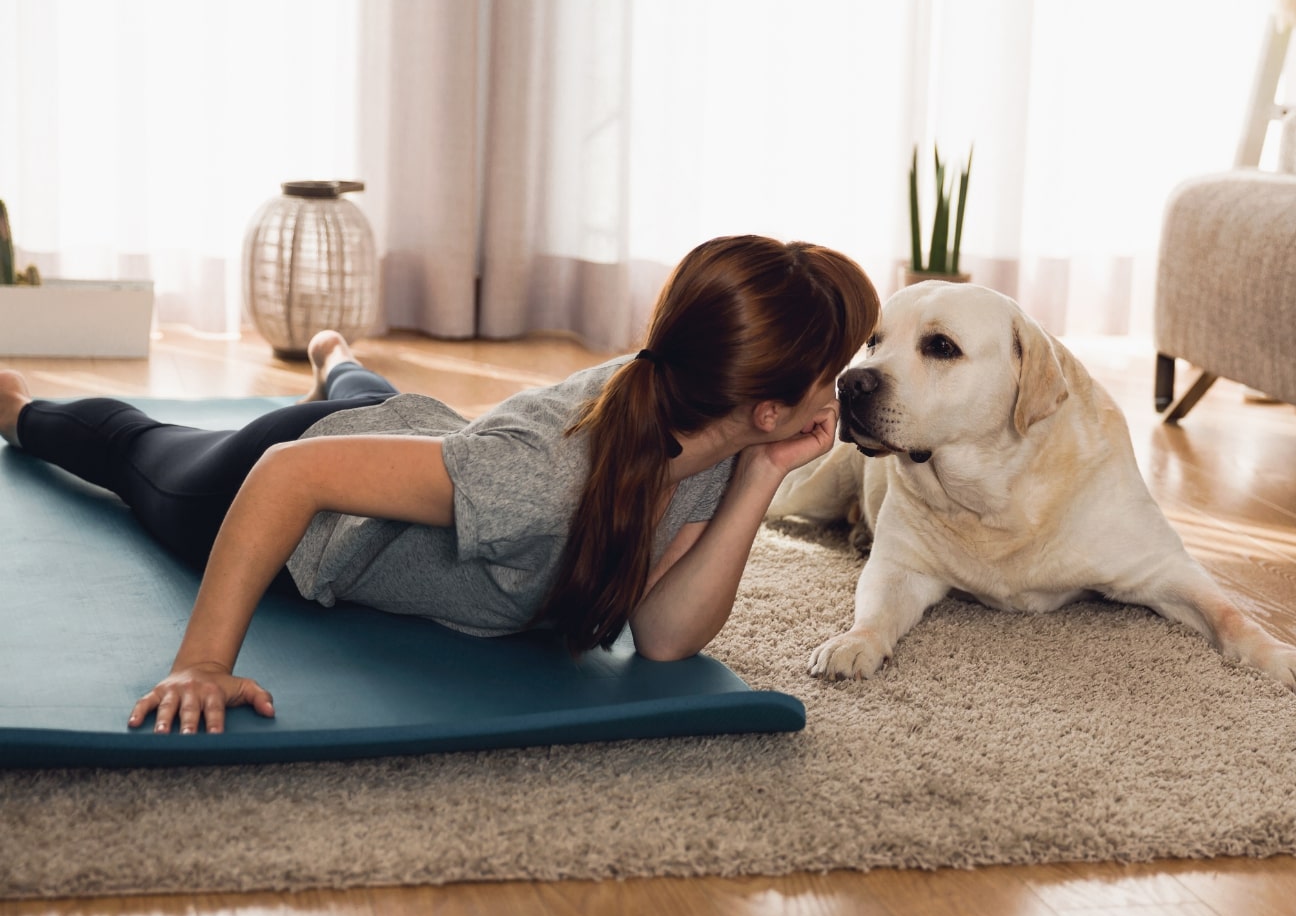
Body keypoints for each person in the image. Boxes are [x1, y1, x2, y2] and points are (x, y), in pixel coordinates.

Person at [0, 235, 878, 736]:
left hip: (432, 438)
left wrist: (761, 476)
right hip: (300, 484)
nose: (846, 384)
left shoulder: (715, 423)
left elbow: (663, 638)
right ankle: (17, 406)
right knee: (134, 454)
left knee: (380, 399)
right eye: (840, 367)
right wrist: (201, 663)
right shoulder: (535, 482)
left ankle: (338, 360)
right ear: (764, 403)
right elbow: (290, 474)